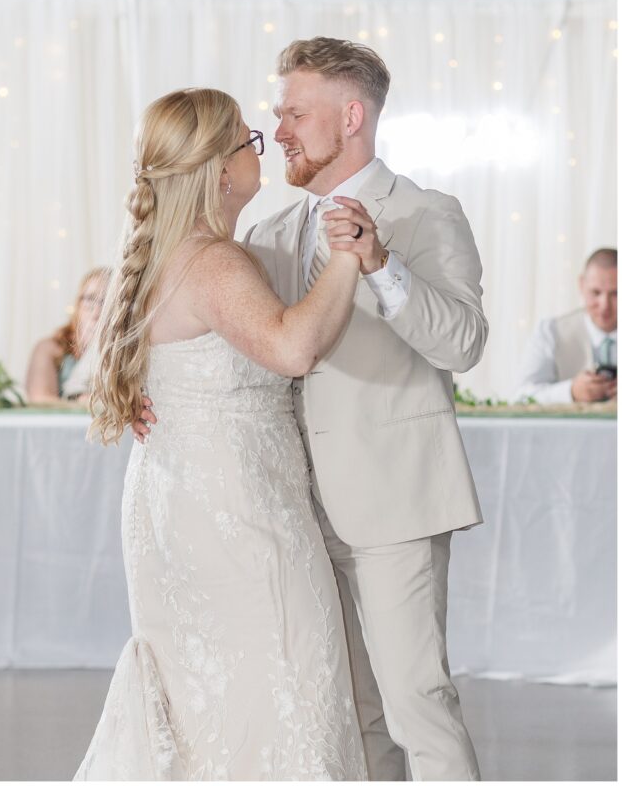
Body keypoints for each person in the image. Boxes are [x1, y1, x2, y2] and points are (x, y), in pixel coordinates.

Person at [137, 38, 487, 781]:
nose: (280, 128)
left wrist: (381, 266)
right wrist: (149, 381)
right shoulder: (265, 234)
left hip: (392, 504)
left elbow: (461, 344)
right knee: (350, 715)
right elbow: (230, 335)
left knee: (415, 704)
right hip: (286, 515)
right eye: (275, 114)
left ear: (350, 115)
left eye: (294, 112)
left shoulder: (425, 213)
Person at [75, 89, 366, 781]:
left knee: (213, 700)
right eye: (245, 140)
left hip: (179, 500)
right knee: (286, 683)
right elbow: (293, 349)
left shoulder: (154, 258)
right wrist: (349, 256)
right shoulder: (215, 262)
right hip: (237, 514)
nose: (257, 145)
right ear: (217, 169)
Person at [515, 248, 617, 404]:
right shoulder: (550, 332)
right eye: (596, 293)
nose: (604, 305)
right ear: (582, 285)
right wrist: (571, 391)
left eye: (616, 294)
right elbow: (522, 397)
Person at [24, 267, 110, 404]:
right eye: (90, 298)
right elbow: (40, 401)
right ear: (78, 304)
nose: (97, 310)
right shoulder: (49, 348)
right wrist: (87, 401)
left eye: (106, 301)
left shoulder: (123, 351)